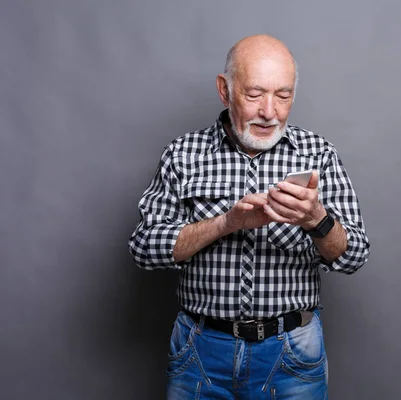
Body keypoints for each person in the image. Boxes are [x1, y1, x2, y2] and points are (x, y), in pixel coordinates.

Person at [128, 34, 370, 399]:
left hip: (292, 353)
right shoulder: (182, 154)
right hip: (199, 350)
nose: (269, 112)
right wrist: (225, 224)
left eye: (283, 95)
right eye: (255, 94)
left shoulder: (319, 154)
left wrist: (316, 219)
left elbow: (354, 256)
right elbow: (144, 249)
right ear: (225, 91)